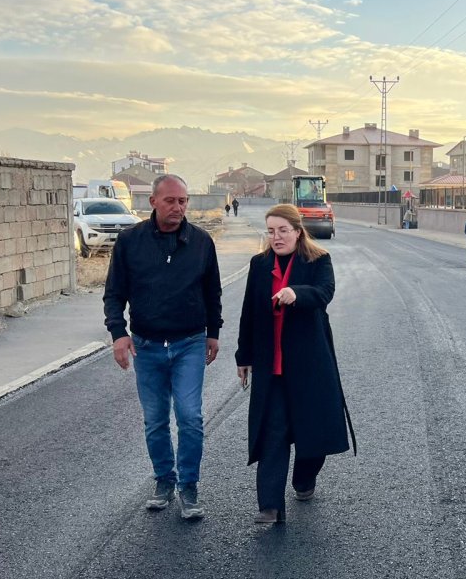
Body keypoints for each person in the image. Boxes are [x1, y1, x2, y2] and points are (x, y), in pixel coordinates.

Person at [104, 174, 222, 521]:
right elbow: (114, 294)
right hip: (147, 346)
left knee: (190, 416)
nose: (178, 207)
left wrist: (213, 333)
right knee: (155, 420)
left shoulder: (201, 242)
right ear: (153, 202)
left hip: (189, 343)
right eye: (170, 200)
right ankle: (164, 481)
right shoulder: (129, 242)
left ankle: (189, 486)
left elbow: (211, 292)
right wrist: (118, 334)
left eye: (183, 201)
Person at [235, 204, 355, 525]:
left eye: (283, 230)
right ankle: (270, 506)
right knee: (273, 432)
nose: (276, 237)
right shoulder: (259, 265)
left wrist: (295, 293)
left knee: (311, 434)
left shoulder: (318, 261)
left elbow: (324, 293)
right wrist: (243, 357)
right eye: (271, 231)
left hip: (309, 366)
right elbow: (249, 313)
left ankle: (304, 479)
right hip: (270, 367)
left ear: (297, 231)